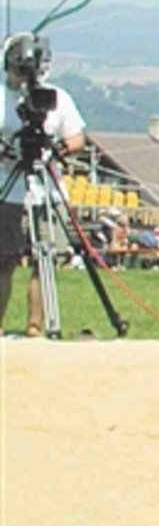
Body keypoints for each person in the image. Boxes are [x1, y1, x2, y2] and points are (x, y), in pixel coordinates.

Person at [0, 33, 86, 337]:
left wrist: (56, 150)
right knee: (4, 259)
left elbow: (77, 137)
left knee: (44, 258)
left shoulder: (56, 98)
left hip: (46, 190)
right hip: (8, 190)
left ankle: (36, 326)